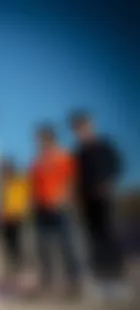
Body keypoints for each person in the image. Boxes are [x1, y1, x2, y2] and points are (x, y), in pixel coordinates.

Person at [70, 110, 131, 300]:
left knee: (109, 237)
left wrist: (107, 183)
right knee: (93, 240)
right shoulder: (78, 153)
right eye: (77, 128)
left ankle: (118, 281)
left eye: (83, 126)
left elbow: (117, 166)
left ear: (91, 125)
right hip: (86, 204)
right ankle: (102, 281)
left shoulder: (104, 146)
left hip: (104, 201)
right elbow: (75, 179)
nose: (81, 131)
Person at [30, 125, 82, 298]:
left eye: (41, 139)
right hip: (41, 211)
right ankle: (47, 285)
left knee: (67, 246)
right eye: (37, 139)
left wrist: (65, 199)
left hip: (61, 209)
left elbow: (71, 181)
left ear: (50, 138)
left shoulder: (63, 156)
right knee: (43, 249)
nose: (38, 142)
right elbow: (33, 186)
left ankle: (75, 284)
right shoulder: (37, 161)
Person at [0, 159, 30, 286]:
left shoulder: (19, 182)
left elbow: (25, 199)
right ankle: (10, 273)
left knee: (18, 246)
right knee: (7, 247)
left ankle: (19, 272)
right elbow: (1, 202)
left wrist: (23, 213)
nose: (6, 171)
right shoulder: (2, 184)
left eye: (8, 169)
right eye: (4, 169)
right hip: (5, 220)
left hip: (17, 219)